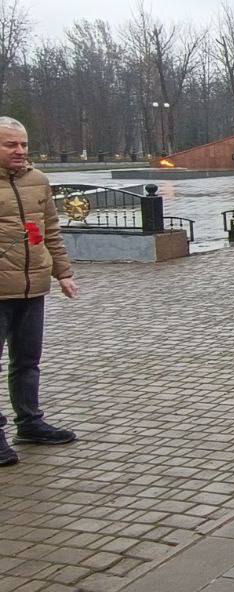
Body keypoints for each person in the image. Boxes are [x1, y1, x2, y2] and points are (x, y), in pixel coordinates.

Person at [0, 117, 80, 467]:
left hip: (33, 287)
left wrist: (64, 273)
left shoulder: (38, 180)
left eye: (24, 144)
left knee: (27, 361)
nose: (20, 151)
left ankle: (29, 423)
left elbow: (51, 230)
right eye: (10, 145)